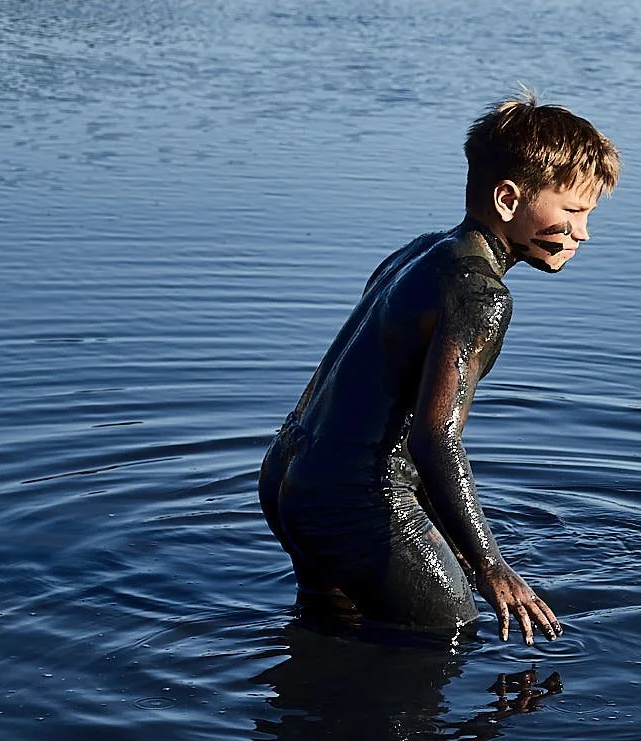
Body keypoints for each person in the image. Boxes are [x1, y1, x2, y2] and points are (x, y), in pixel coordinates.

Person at [258, 91, 619, 644]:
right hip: (357, 501)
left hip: (290, 474)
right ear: (507, 199)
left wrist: (448, 536)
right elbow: (434, 440)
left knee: (329, 637)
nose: (584, 232)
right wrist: (491, 567)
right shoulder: (481, 295)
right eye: (572, 211)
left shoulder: (421, 253)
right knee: (447, 639)